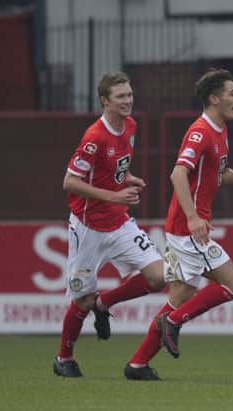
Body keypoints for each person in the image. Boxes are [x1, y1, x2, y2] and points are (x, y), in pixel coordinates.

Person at [123, 68, 233, 380]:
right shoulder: (200, 132)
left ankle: (137, 364)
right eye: (232, 93)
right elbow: (178, 174)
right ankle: (174, 323)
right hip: (187, 229)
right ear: (214, 99)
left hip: (185, 227)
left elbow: (219, 174)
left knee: (180, 295)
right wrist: (193, 217)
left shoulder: (219, 129)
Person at [53, 72, 168, 378]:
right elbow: (70, 182)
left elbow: (116, 165)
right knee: (81, 300)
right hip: (88, 227)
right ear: (105, 101)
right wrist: (115, 194)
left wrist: (126, 178)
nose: (128, 101)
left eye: (129, 95)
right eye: (121, 97)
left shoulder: (130, 125)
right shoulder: (94, 137)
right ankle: (64, 358)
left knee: (159, 276)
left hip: (118, 223)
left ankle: (104, 305)